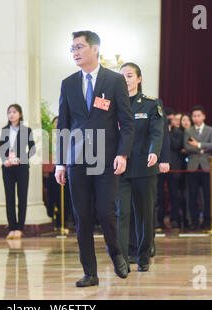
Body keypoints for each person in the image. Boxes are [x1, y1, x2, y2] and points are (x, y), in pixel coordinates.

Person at [55, 31, 134, 287]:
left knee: (106, 211)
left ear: (95, 48)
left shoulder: (114, 80)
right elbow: (64, 125)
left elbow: (127, 121)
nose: (75, 52)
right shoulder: (67, 83)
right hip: (77, 158)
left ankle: (117, 254)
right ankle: (90, 272)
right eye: (72, 48)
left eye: (79, 47)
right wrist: (60, 162)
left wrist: (122, 153)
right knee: (82, 217)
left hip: (106, 157)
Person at [116, 62, 164, 272]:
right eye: (122, 76)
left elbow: (157, 131)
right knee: (121, 213)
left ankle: (143, 255)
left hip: (144, 166)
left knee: (144, 214)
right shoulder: (113, 103)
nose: (125, 80)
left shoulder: (151, 104)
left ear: (139, 79)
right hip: (120, 167)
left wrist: (154, 151)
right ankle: (123, 258)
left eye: (129, 76)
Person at [0, 104, 35, 240]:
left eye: (14, 112)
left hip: (22, 167)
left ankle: (20, 228)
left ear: (20, 114)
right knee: (9, 198)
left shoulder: (27, 130)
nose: (11, 115)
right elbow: (1, 149)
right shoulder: (4, 130)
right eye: (9, 112)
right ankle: (12, 228)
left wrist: (22, 159)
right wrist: (4, 160)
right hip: (8, 168)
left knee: (22, 197)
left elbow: (33, 149)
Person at [184, 106, 212, 230]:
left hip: (206, 166)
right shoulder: (188, 131)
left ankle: (208, 220)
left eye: (199, 115)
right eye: (194, 116)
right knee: (192, 195)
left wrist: (198, 145)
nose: (197, 118)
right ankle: (194, 221)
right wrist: (204, 148)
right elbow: (187, 147)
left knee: (207, 195)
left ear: (204, 116)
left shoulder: (210, 130)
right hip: (192, 166)